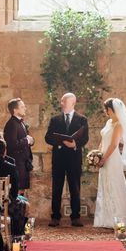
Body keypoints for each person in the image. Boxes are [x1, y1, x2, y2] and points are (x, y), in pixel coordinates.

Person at [45, 92, 89, 227]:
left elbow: (85, 138)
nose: (62, 103)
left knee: (75, 188)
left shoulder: (82, 119)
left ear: (73, 103)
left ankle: (75, 217)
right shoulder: (55, 119)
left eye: (64, 101)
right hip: (58, 158)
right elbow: (47, 137)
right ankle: (55, 217)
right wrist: (59, 142)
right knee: (56, 188)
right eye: (62, 101)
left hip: (74, 158)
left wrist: (75, 144)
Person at [93, 98, 126, 229]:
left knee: (116, 186)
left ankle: (122, 218)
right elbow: (103, 141)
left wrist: (104, 158)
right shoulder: (109, 123)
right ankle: (107, 218)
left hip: (112, 159)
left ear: (112, 110)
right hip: (104, 157)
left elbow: (113, 144)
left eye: (107, 109)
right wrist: (97, 154)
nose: (105, 111)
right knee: (105, 185)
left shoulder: (119, 125)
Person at [4, 98, 35, 192]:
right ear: (15, 110)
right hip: (17, 163)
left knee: (22, 191)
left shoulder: (21, 122)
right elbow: (12, 144)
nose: (25, 108)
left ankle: (21, 207)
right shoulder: (11, 124)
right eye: (22, 107)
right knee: (17, 192)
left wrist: (31, 140)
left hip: (24, 163)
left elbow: (26, 139)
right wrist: (26, 140)